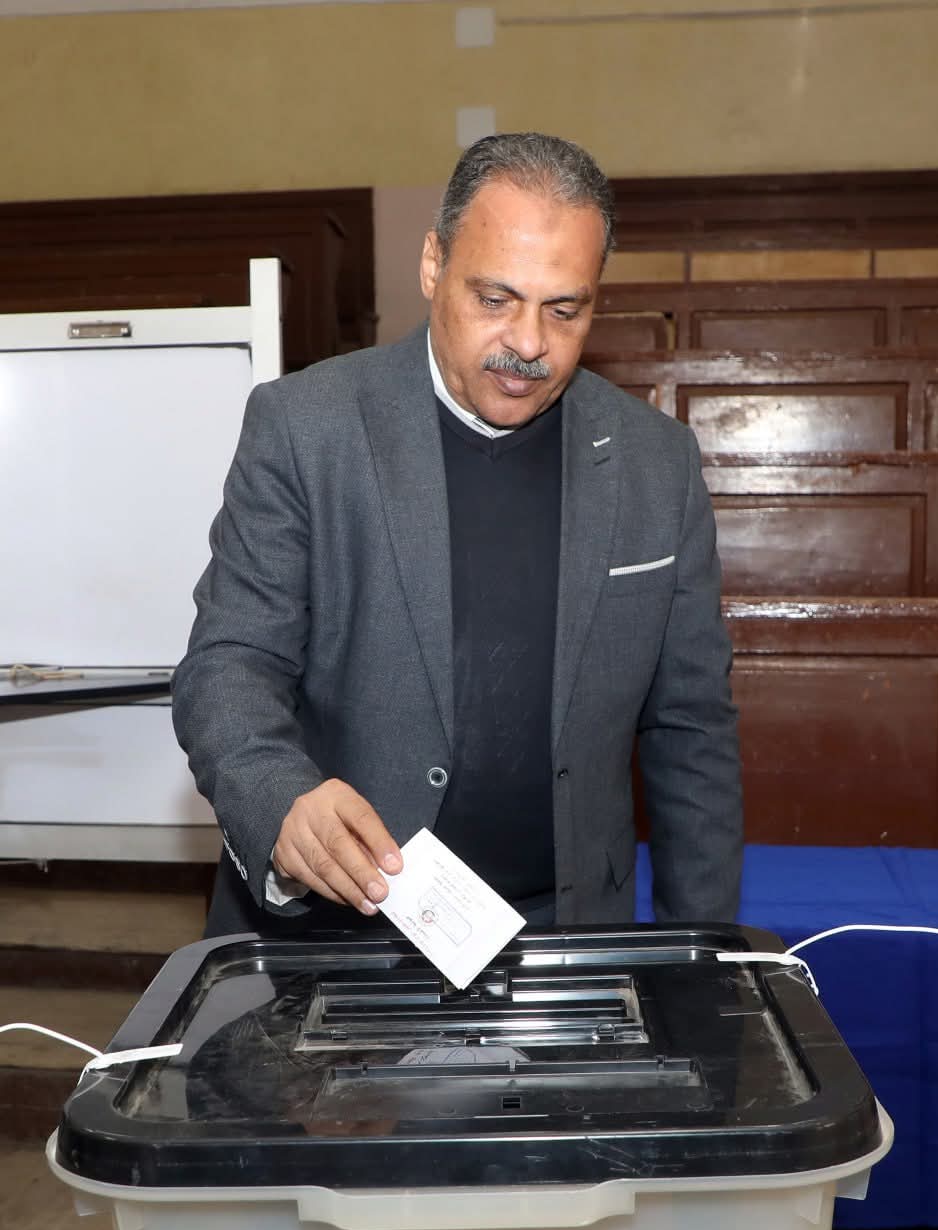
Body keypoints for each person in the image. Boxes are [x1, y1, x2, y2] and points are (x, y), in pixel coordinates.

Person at [172, 132, 742, 938]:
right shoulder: (306, 427)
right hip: (338, 927)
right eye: (496, 299)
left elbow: (692, 729)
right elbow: (229, 663)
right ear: (433, 265)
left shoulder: (658, 463)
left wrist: (704, 957)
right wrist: (280, 797)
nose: (529, 343)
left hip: (565, 931)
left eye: (564, 309)